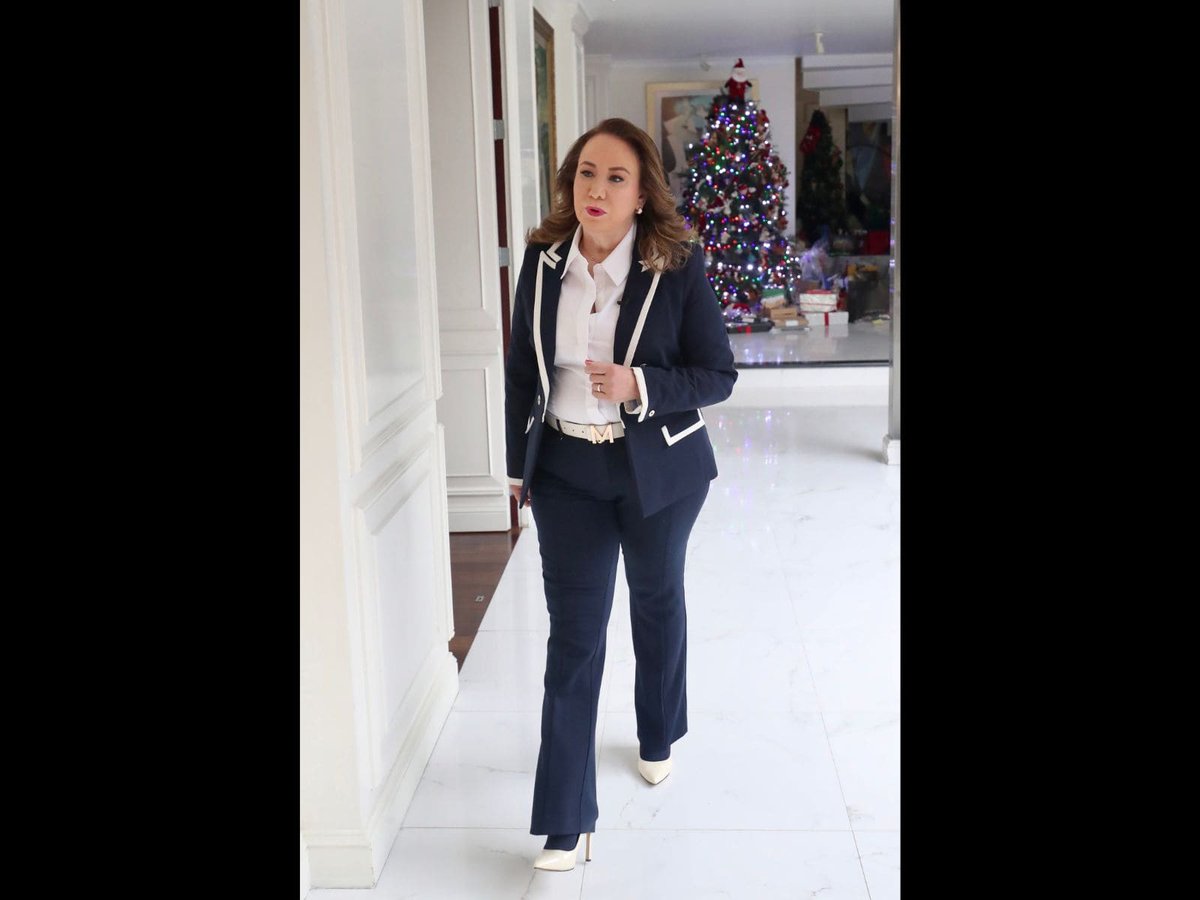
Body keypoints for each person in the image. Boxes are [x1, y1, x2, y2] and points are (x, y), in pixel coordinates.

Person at [504, 117, 737, 872]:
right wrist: (517, 468)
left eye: (615, 177)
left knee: (656, 600)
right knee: (574, 637)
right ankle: (565, 820)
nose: (596, 189)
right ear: (570, 182)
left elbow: (718, 375)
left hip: (658, 471)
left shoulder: (678, 265)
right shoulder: (542, 263)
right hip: (567, 472)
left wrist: (641, 384)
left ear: (642, 195)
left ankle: (658, 729)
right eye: (586, 173)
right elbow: (521, 372)